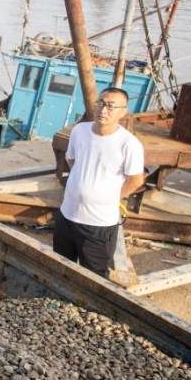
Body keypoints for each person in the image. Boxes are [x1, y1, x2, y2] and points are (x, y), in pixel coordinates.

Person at [54, 87, 146, 278]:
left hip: (98, 224)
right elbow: (72, 160)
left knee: (94, 275)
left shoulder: (128, 144)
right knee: (60, 267)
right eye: (101, 103)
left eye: (111, 106)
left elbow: (136, 179)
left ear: (123, 112)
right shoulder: (80, 131)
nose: (104, 110)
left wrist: (111, 197)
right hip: (67, 215)